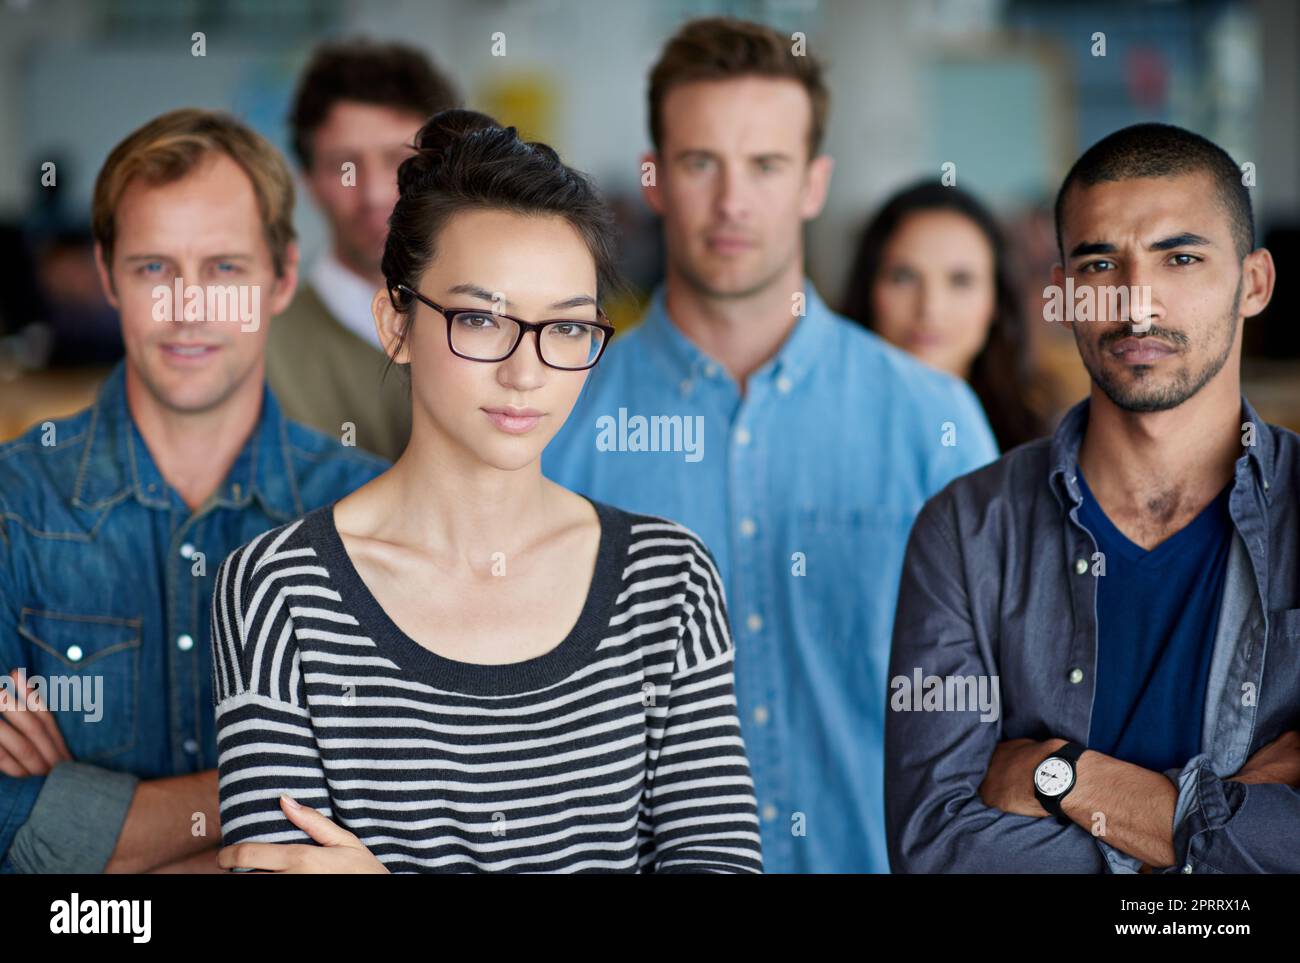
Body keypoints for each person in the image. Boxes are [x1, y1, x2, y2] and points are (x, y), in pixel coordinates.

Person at [212, 110, 763, 874]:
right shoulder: (279, 589)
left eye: (567, 328)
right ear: (395, 324)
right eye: (479, 318)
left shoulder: (667, 582)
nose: (526, 370)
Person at [541, 17, 998, 873]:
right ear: (654, 179)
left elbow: (1004, 709)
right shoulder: (560, 413)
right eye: (699, 161)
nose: (733, 202)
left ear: (814, 182)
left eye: (766, 165)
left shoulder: (933, 419)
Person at [885, 122, 1299, 873]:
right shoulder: (967, 529)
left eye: (1180, 258)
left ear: (1255, 283)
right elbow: (938, 847)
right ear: (1062, 294)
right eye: (1102, 262)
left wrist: (1066, 778)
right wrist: (1220, 824)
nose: (1137, 305)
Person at [0, 109, 386, 874]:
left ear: (281, 277)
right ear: (107, 274)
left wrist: (81, 818)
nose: (189, 307)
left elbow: (404, 817)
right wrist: (280, 794)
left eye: (224, 269)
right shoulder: (13, 505)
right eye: (154, 268)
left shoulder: (372, 515)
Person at [267, 39, 460, 461]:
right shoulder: (259, 355)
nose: (373, 193)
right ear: (308, 182)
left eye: (398, 160)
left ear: (446, 170)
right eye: (344, 166)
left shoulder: (506, 332)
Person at [841, 180, 1049, 451]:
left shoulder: (1045, 448)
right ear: (868, 288)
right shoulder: (821, 427)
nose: (930, 308)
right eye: (904, 277)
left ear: (996, 300)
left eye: (960, 281)